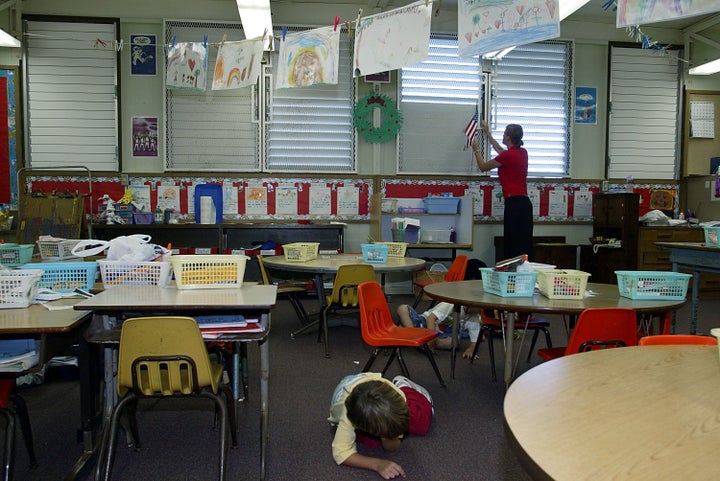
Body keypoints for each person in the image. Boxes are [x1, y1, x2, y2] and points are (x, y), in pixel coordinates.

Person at [328, 372, 433, 479]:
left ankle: (404, 385)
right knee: (370, 443)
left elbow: (392, 449)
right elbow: (341, 453)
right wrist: (377, 464)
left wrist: (388, 437)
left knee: (420, 424)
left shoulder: (398, 398)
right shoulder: (348, 416)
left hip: (375, 386)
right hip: (346, 389)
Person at [471, 120, 534, 260]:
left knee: (512, 243)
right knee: (524, 244)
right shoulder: (522, 152)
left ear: (508, 137)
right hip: (525, 204)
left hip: (514, 204)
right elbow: (501, 151)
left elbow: (483, 166)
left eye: (505, 133)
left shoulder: (508, 156)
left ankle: (511, 275)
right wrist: (487, 133)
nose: (503, 135)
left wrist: (475, 149)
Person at [396, 303, 482, 359]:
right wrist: (431, 340)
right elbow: (431, 319)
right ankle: (414, 336)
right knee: (402, 308)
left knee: (454, 343)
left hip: (440, 334)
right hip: (425, 323)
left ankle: (409, 334)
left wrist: (471, 349)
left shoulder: (474, 317)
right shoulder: (450, 305)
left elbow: (475, 341)